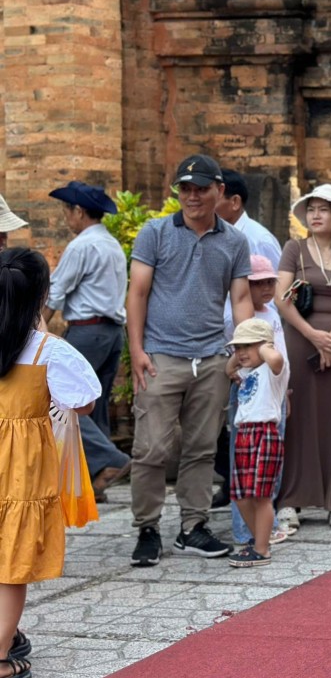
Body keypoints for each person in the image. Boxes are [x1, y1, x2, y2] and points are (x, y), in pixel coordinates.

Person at [126, 155, 253, 568]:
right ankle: (147, 528)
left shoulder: (234, 241)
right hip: (161, 357)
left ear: (219, 190)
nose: (193, 196)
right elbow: (138, 293)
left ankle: (192, 527)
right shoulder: (156, 232)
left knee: (201, 449)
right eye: (185, 188)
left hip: (212, 358)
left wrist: (242, 350)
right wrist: (137, 352)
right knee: (151, 449)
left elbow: (241, 300)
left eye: (201, 188)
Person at [1, 248, 100, 678]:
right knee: (11, 565)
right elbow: (85, 403)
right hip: (21, 469)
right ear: (42, 296)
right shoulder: (48, 351)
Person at [274, 185, 331, 528]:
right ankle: (291, 498)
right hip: (300, 340)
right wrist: (313, 336)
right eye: (311, 209)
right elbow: (280, 298)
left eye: (324, 210)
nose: (315, 215)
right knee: (297, 417)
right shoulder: (294, 249)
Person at [42, 181, 130, 503]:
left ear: (79, 212)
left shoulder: (82, 246)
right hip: (112, 333)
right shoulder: (113, 245)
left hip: (88, 331)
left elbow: (56, 292)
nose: (66, 218)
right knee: (97, 405)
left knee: (64, 401)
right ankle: (96, 479)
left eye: (67, 211)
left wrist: (34, 329)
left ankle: (109, 460)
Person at [224, 255, 290, 550]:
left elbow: (277, 358)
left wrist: (261, 346)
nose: (241, 352)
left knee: (261, 493)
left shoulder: (271, 367)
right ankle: (255, 537)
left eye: (245, 347)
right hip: (245, 433)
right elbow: (227, 370)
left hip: (265, 432)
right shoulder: (246, 369)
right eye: (237, 348)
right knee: (239, 493)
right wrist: (240, 353)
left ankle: (261, 547)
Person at [215, 171, 283, 268]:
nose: (205, 206)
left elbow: (279, 281)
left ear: (235, 202)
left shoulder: (259, 241)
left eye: (213, 200)